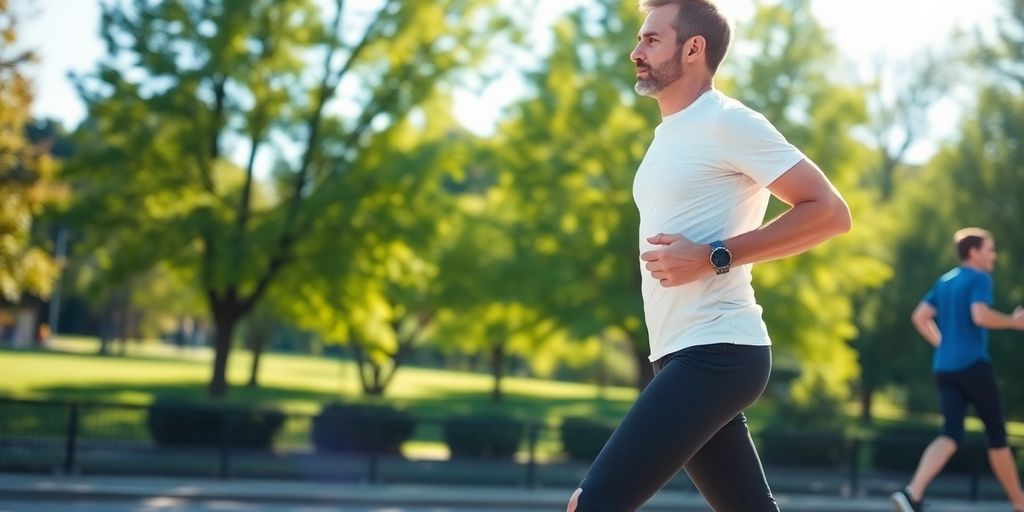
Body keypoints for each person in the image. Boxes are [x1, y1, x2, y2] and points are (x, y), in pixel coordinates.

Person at [564, 1, 851, 511]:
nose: (635, 52)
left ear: (694, 48)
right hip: (680, 352)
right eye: (639, 39)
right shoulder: (668, 136)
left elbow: (829, 212)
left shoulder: (727, 121)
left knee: (592, 504)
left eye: (652, 39)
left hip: (717, 351)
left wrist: (715, 256)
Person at [890, 228, 1024, 512]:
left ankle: (912, 493)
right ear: (973, 252)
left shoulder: (945, 280)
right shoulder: (979, 278)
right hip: (973, 365)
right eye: (990, 249)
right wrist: (1014, 322)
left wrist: (943, 344)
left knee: (951, 434)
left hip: (944, 367)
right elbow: (980, 315)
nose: (994, 256)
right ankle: (1020, 504)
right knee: (997, 434)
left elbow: (920, 316)